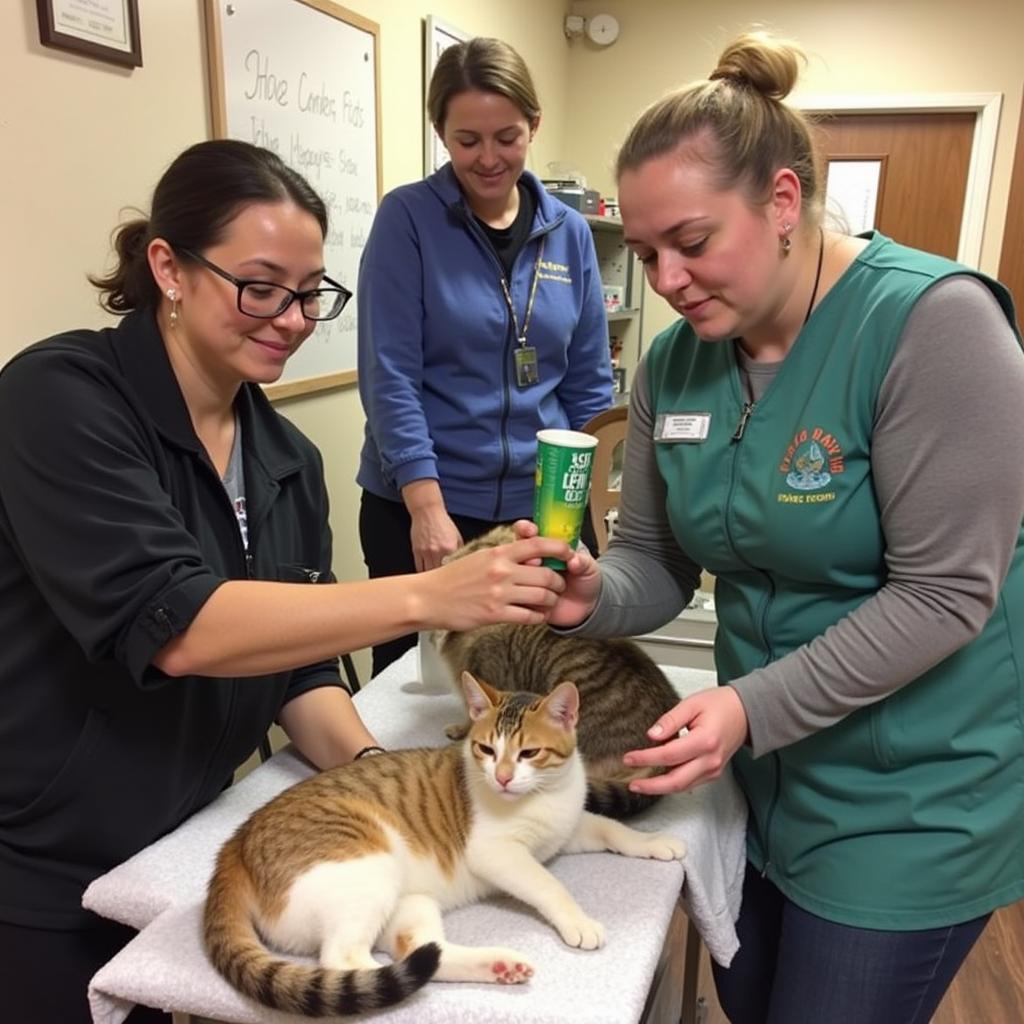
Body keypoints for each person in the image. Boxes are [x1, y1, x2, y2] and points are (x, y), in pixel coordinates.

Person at [0, 139, 574, 1024]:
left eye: (310, 294)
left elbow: (297, 669)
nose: (292, 318)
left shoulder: (285, 457)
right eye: (260, 287)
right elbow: (181, 626)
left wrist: (389, 789)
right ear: (169, 267)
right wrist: (429, 595)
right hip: (46, 856)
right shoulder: (61, 399)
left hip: (189, 837)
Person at [537, 31, 1024, 1024]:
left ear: (785, 201)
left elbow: (945, 594)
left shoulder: (933, 326)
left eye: (693, 241)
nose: (665, 277)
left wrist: (748, 706)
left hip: (914, 793)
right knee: (746, 999)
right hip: (758, 782)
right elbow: (654, 562)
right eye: (644, 251)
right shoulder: (675, 365)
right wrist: (590, 594)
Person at [356, 36, 614, 675]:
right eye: (467, 140)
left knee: (531, 689)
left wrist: (585, 509)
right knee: (419, 691)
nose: (489, 158)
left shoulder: (569, 232)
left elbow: (587, 382)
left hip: (539, 511)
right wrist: (427, 508)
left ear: (534, 125)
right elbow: (390, 374)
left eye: (507, 136)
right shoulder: (409, 219)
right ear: (440, 133)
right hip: (426, 505)